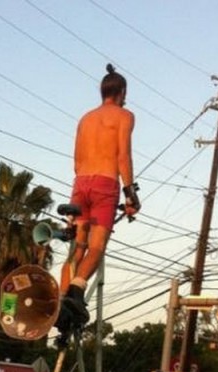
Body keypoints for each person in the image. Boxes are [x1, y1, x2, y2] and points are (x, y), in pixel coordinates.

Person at [59, 63, 140, 326]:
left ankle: (60, 299)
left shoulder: (85, 118)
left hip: (80, 183)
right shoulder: (124, 116)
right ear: (122, 92)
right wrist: (130, 194)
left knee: (78, 246)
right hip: (105, 184)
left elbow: (76, 160)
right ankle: (76, 291)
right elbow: (123, 156)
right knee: (97, 246)